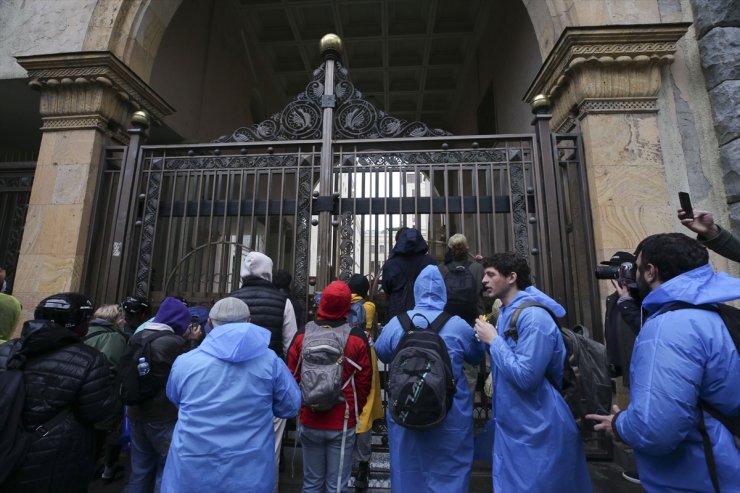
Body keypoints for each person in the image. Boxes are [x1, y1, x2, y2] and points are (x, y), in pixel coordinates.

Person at [587, 233, 740, 493]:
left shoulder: (669, 326)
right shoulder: (719, 313)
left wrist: (619, 425)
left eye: (635, 268)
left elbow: (655, 429)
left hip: (698, 476)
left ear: (650, 271)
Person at [474, 253, 592, 493]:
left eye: (491, 274)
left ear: (512, 278)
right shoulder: (508, 313)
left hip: (540, 427)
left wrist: (494, 340)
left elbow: (526, 377)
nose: (484, 280)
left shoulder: (534, 317)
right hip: (518, 425)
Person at [161, 297, 301, 493]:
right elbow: (290, 405)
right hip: (250, 472)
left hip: (192, 468)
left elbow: (175, 398)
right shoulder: (270, 362)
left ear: (209, 323)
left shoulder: (185, 362)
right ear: (249, 320)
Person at [374, 264, 486, 493]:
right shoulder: (457, 325)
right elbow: (476, 357)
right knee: (450, 472)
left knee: (408, 472)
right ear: (443, 292)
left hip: (406, 410)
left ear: (416, 291)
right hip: (450, 413)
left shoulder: (398, 323)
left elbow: (382, 351)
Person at [0, 292, 116, 493]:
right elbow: (98, 412)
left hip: (7, 448)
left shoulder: (7, 350)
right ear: (80, 323)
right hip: (57, 456)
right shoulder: (90, 359)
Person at [287, 280, 372, 493]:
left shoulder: (301, 335)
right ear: (347, 306)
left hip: (309, 416)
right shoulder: (356, 338)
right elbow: (364, 382)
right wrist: (355, 411)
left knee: (312, 484)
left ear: (321, 303)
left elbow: (291, 377)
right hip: (342, 420)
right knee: (337, 487)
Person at [230, 251, 298, 484]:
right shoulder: (283, 302)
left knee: (236, 443)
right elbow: (291, 346)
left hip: (233, 381)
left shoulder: (232, 299)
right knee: (271, 448)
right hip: (269, 380)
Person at [124, 296, 190, 493]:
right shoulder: (173, 342)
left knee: (140, 469)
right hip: (162, 414)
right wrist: (192, 342)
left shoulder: (137, 336)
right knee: (166, 467)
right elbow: (185, 372)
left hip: (136, 412)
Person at [601, 251, 642, 484]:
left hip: (636, 362)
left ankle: (639, 461)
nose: (614, 275)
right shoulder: (611, 298)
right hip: (620, 364)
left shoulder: (638, 297)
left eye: (618, 269)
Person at [346, 274, 384, 492]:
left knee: (348, 402)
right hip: (366, 354)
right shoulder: (368, 306)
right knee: (366, 406)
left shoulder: (342, 302)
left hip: (346, 351)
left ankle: (345, 457)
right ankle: (363, 465)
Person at [84, 304, 129, 483]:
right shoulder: (114, 338)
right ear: (115, 319)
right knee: (108, 434)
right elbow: (115, 368)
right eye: (121, 317)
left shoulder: (84, 331)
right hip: (103, 396)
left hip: (83, 395)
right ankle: (105, 469)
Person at [381, 227, 437, 320]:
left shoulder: (391, 264)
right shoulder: (430, 261)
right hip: (425, 309)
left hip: (398, 310)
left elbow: (386, 287)